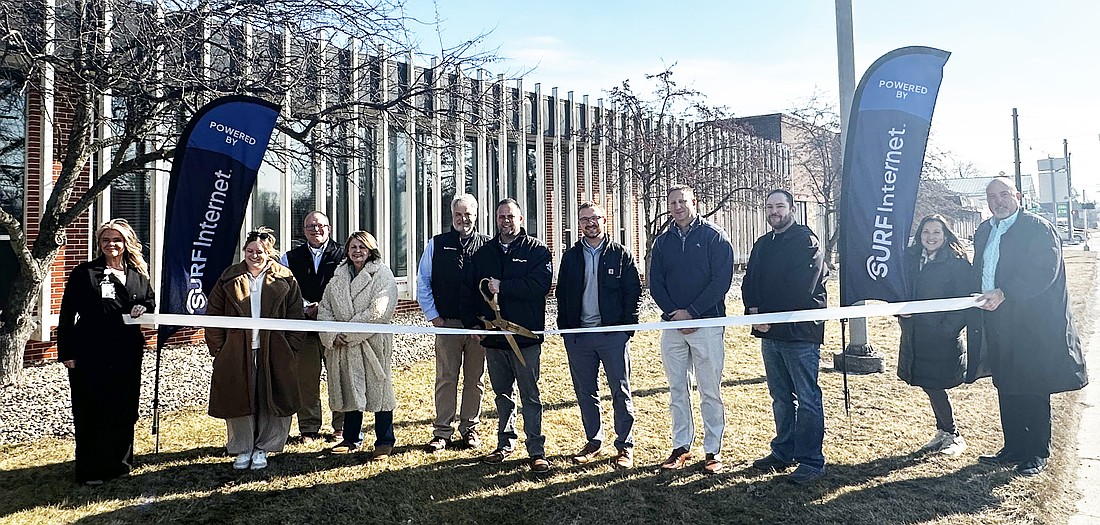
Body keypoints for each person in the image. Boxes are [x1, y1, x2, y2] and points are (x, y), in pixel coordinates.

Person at [971, 177, 1088, 476]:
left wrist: (1005, 292)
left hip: (1031, 321)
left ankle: (1036, 451)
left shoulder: (1037, 228)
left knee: (1032, 384)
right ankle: (1013, 447)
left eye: (1004, 194)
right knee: (1006, 382)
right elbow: (980, 269)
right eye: (992, 196)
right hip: (996, 318)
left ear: (1017, 196)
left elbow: (1043, 271)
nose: (998, 201)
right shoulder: (985, 230)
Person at [57, 219, 155, 485]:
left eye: (116, 240)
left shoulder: (137, 274)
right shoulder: (85, 273)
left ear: (126, 243)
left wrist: (143, 309)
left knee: (123, 407)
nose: (111, 244)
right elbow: (67, 314)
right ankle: (92, 470)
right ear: (99, 244)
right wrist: (66, 352)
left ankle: (120, 465)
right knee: (92, 409)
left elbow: (148, 300)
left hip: (127, 351)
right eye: (105, 240)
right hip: (90, 350)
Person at [742, 189, 828, 484]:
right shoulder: (763, 243)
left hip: (799, 335)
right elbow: (749, 280)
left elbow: (801, 288)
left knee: (807, 398)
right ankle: (783, 451)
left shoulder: (807, 241)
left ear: (792, 209)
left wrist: (767, 315)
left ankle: (811, 460)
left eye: (780, 206)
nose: (774, 211)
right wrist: (754, 312)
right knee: (780, 397)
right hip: (770, 334)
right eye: (769, 207)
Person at [461, 198, 553, 473]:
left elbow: (541, 286)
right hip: (494, 339)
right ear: (497, 220)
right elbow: (469, 290)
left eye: (511, 216)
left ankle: (536, 450)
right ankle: (504, 443)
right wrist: (473, 325)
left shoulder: (537, 250)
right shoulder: (484, 252)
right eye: (501, 217)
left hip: (525, 338)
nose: (506, 221)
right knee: (501, 394)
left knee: (530, 395)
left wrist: (505, 286)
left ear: (520, 219)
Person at [649, 185, 734, 474]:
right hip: (673, 325)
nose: (677, 207)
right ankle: (680, 446)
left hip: (707, 323)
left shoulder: (714, 236)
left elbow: (721, 281)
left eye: (682, 201)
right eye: (672, 202)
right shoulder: (662, 242)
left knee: (710, 390)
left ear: (694, 202)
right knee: (677, 389)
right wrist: (675, 315)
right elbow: (655, 282)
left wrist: (693, 313)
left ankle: (713, 451)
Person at [206, 228, 306, 470]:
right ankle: (242, 448)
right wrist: (219, 349)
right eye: (250, 251)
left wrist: (290, 346)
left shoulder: (285, 278)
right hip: (237, 350)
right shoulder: (228, 277)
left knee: (272, 397)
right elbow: (213, 315)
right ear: (244, 252)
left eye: (259, 251)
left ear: (268, 252)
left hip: (275, 350)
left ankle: (264, 447)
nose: (254, 255)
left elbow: (296, 315)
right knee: (240, 399)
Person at [556, 202, 642, 469]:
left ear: (606, 220)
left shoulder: (621, 255)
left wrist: (626, 329)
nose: (590, 223)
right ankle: (593, 440)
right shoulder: (571, 257)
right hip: (580, 337)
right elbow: (562, 295)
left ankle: (624, 446)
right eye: (584, 220)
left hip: (612, 336)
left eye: (595, 218)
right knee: (586, 391)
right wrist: (567, 332)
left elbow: (634, 293)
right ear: (578, 224)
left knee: (620, 390)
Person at [417, 193, 489, 452]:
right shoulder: (437, 244)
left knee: (475, 380)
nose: (463, 219)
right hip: (447, 324)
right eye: (458, 214)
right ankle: (442, 432)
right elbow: (423, 281)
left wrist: (486, 323)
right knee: (446, 378)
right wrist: (434, 317)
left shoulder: (488, 245)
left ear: (477, 215)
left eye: (468, 214)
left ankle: (470, 428)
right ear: (452, 216)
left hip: (479, 329)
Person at [318, 231, 399, 459]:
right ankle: (351, 438)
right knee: (351, 387)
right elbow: (324, 309)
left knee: (380, 392)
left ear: (371, 249)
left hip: (372, 343)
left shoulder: (382, 274)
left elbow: (379, 312)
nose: (357, 251)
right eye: (353, 247)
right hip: (343, 346)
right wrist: (333, 335)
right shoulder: (338, 276)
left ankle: (384, 440)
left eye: (362, 247)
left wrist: (348, 333)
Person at [897, 215, 971, 456]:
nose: (930, 237)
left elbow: (964, 300)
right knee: (929, 384)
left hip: (941, 336)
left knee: (936, 384)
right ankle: (943, 430)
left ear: (946, 234)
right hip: (915, 334)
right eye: (926, 232)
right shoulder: (910, 260)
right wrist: (900, 312)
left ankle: (953, 434)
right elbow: (900, 291)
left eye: (936, 232)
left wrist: (947, 329)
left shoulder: (956, 262)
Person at [281, 211, 346, 443]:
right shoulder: (290, 258)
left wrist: (324, 307)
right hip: (305, 328)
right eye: (310, 226)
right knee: (306, 380)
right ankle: (308, 428)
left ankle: (341, 428)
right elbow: (285, 289)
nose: (315, 230)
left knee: (339, 378)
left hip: (334, 328)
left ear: (329, 228)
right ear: (304, 230)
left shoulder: (344, 255)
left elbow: (347, 289)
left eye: (320, 226)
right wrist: (307, 307)